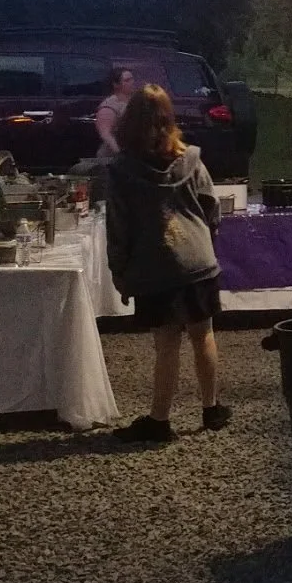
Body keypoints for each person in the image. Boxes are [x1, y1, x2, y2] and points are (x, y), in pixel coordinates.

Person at [103, 85, 227, 442]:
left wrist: (121, 273)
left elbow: (119, 227)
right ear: (169, 119)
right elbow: (211, 207)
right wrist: (206, 242)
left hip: (155, 267)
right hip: (198, 262)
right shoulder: (191, 159)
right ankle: (211, 409)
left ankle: (160, 420)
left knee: (167, 342)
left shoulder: (123, 170)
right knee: (203, 334)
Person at [92, 66, 135, 163]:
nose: (131, 83)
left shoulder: (134, 101)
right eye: (127, 80)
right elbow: (105, 134)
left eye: (132, 79)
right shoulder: (109, 105)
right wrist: (120, 154)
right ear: (116, 84)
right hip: (112, 158)